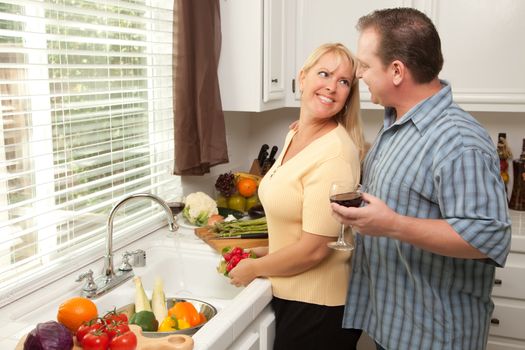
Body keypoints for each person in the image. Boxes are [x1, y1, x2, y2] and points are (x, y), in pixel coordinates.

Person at [330, 8, 512, 350]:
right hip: (394, 327)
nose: (359, 75)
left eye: (365, 66)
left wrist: (392, 224)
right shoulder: (394, 125)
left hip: (435, 337)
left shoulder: (457, 140)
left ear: (397, 70)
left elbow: (487, 235)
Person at [228, 43, 366, 350]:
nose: (332, 86)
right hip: (295, 297)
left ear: (348, 95)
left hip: (318, 309)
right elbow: (300, 224)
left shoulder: (335, 156)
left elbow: (315, 250)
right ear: (302, 78)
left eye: (343, 81)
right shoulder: (296, 134)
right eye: (324, 73)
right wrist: (266, 252)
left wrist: (253, 269)